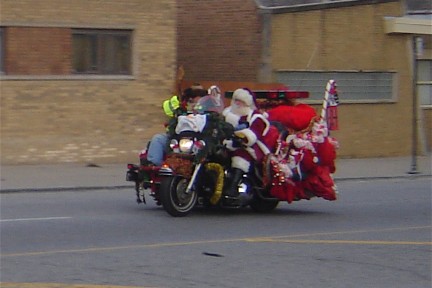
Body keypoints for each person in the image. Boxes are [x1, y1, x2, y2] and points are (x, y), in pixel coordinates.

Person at [222, 88, 272, 198]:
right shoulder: (226, 113)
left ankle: (233, 187)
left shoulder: (255, 117)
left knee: (240, 157)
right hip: (227, 143)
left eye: (241, 101)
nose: (237, 103)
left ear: (247, 103)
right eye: (236, 100)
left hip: (250, 147)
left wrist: (243, 136)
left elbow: (254, 133)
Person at [146, 84, 207, 166]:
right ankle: (154, 167)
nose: (195, 104)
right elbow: (172, 118)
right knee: (158, 139)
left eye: (199, 101)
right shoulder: (181, 109)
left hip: (201, 139)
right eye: (192, 101)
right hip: (178, 138)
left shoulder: (209, 113)